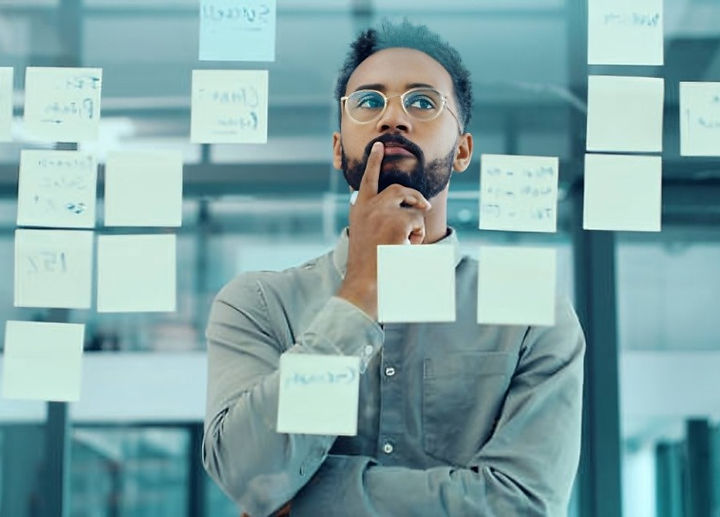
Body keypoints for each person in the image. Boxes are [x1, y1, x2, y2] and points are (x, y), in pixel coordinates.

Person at [202, 19, 585, 517]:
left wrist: (305, 500)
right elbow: (248, 474)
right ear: (339, 147)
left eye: (423, 102)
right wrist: (361, 290)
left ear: (463, 150)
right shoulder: (257, 305)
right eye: (368, 102)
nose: (393, 120)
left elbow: (523, 505)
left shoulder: (532, 316)